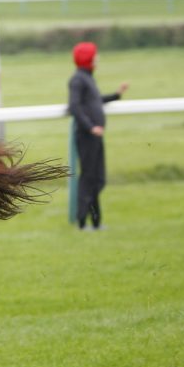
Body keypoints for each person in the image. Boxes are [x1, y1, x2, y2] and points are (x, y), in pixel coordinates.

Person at [67, 41, 129, 230]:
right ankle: (83, 221)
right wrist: (90, 127)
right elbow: (75, 106)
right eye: (95, 55)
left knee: (98, 178)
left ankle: (95, 222)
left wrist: (117, 95)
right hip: (87, 135)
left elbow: (95, 101)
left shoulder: (87, 78)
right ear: (88, 59)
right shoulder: (78, 79)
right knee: (89, 178)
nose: (97, 58)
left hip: (95, 136)